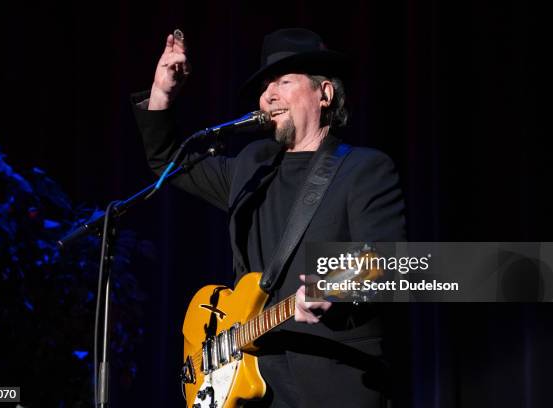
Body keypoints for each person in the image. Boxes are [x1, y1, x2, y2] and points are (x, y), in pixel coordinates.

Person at [133, 28, 406, 408]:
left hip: (332, 383)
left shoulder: (363, 169)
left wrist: (334, 287)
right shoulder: (251, 167)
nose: (268, 95)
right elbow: (168, 164)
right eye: (266, 86)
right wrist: (162, 94)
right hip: (252, 385)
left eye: (284, 81)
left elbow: (386, 262)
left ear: (324, 93)